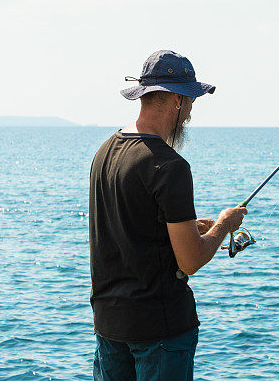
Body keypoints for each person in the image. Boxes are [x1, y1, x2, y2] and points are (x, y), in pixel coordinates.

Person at [89, 50, 247, 380]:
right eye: (190, 101)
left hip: (109, 324)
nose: (190, 111)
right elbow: (190, 260)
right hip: (159, 331)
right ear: (176, 99)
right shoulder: (170, 166)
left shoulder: (105, 151)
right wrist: (222, 225)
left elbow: (134, 225)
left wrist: (192, 225)